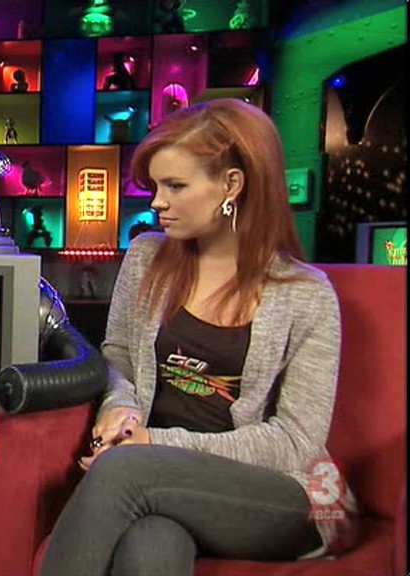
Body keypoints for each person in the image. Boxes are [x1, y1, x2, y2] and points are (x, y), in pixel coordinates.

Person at [39, 99, 358, 576]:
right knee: (151, 541)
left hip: (285, 495)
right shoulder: (146, 258)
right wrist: (120, 412)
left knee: (126, 472)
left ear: (231, 185)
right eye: (155, 186)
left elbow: (297, 442)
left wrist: (155, 444)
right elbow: (119, 360)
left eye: (175, 186)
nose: (156, 202)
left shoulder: (306, 295)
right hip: (158, 481)